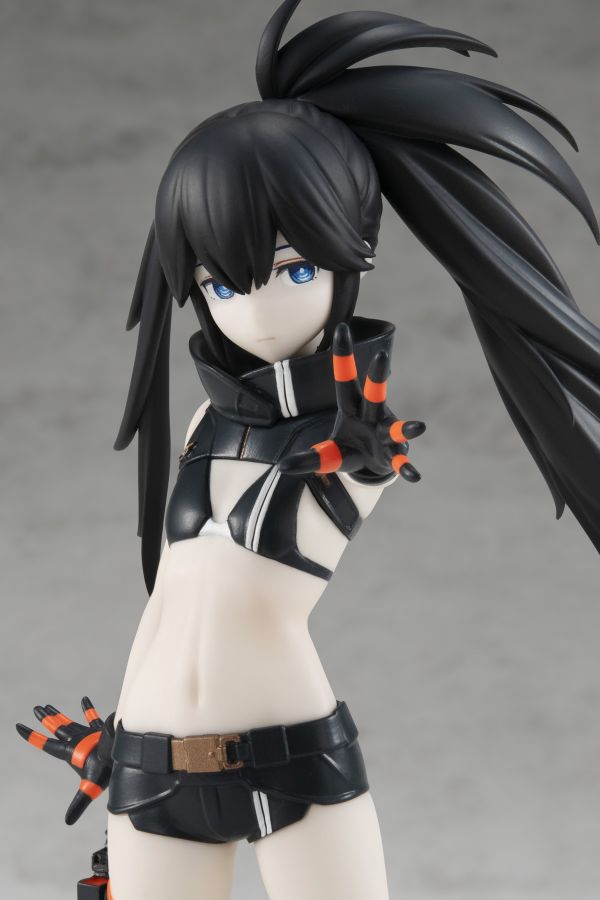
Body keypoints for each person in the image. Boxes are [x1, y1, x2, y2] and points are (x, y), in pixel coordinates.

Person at [17, 2, 600, 898]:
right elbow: (176, 601)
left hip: (295, 767)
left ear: (347, 258)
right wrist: (122, 732)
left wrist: (357, 445)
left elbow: (334, 502)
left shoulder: (359, 439)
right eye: (220, 282)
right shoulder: (205, 427)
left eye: (294, 269)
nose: (255, 311)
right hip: (151, 767)